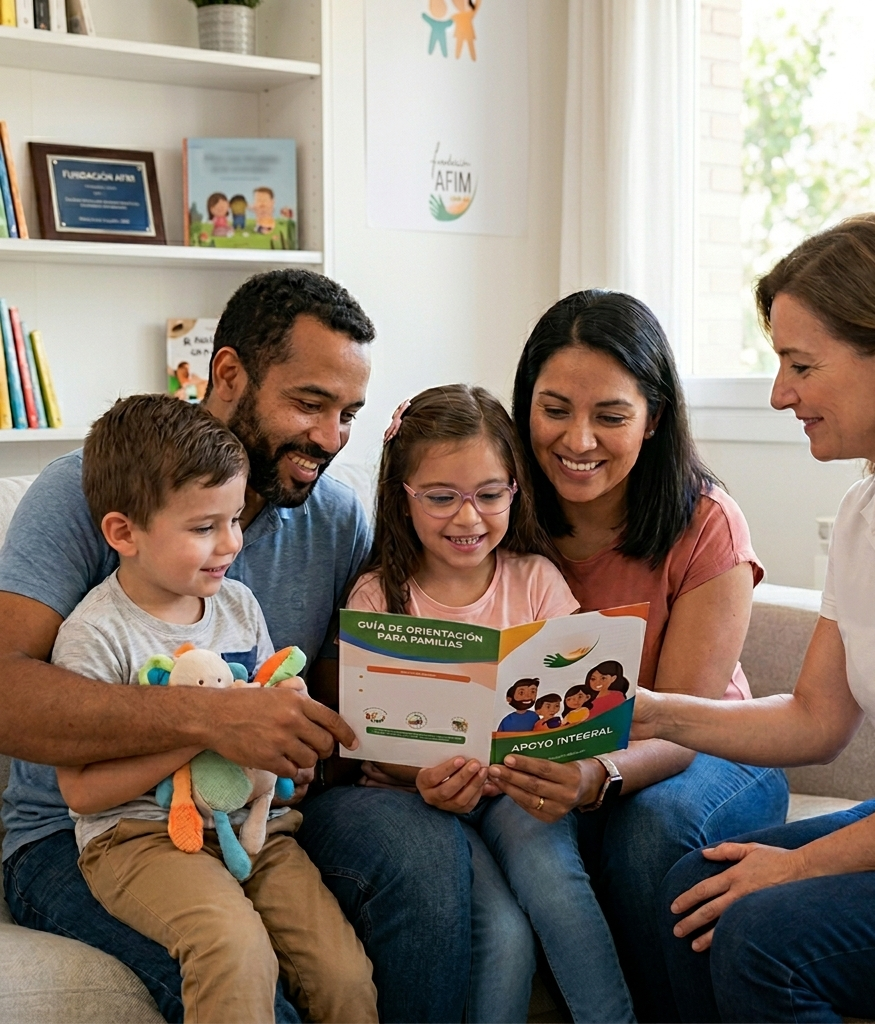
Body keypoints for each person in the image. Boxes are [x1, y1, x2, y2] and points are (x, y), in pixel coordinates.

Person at [0, 269, 473, 1024]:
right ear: (228, 374)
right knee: (249, 985)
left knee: (421, 858)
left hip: (256, 813)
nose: (330, 438)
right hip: (82, 835)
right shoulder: (91, 491)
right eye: (309, 403)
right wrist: (211, 720)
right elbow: (7, 693)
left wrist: (433, 752)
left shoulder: (335, 516)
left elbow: (343, 700)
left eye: (349, 413)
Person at [633, 211, 875, 1023]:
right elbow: (816, 720)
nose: (781, 394)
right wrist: (653, 715)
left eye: (800, 364)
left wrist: (804, 866)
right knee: (692, 893)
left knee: (761, 936)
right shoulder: (864, 508)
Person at [488, 290, 789, 1021]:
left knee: (647, 827)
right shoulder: (496, 511)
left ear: (654, 418)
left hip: (711, 749)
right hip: (559, 755)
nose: (578, 439)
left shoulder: (706, 521)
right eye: (554, 409)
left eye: (611, 416)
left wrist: (595, 776)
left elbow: (682, 724)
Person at [54, 394, 376, 1024]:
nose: (229, 543)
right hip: (137, 838)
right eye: (204, 528)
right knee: (235, 952)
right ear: (125, 532)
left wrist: (292, 737)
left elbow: (267, 711)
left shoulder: (240, 607)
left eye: (234, 519)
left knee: (344, 976)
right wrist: (204, 731)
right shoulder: (97, 634)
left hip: (257, 826)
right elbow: (85, 793)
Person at [346, 384, 635, 1023]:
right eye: (441, 497)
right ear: (404, 497)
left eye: (489, 495)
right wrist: (420, 775)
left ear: (514, 492)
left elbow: (583, 708)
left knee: (553, 884)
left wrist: (558, 753)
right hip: (418, 800)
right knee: (502, 934)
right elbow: (368, 735)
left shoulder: (535, 581)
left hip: (519, 787)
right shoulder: (377, 597)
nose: (468, 518)